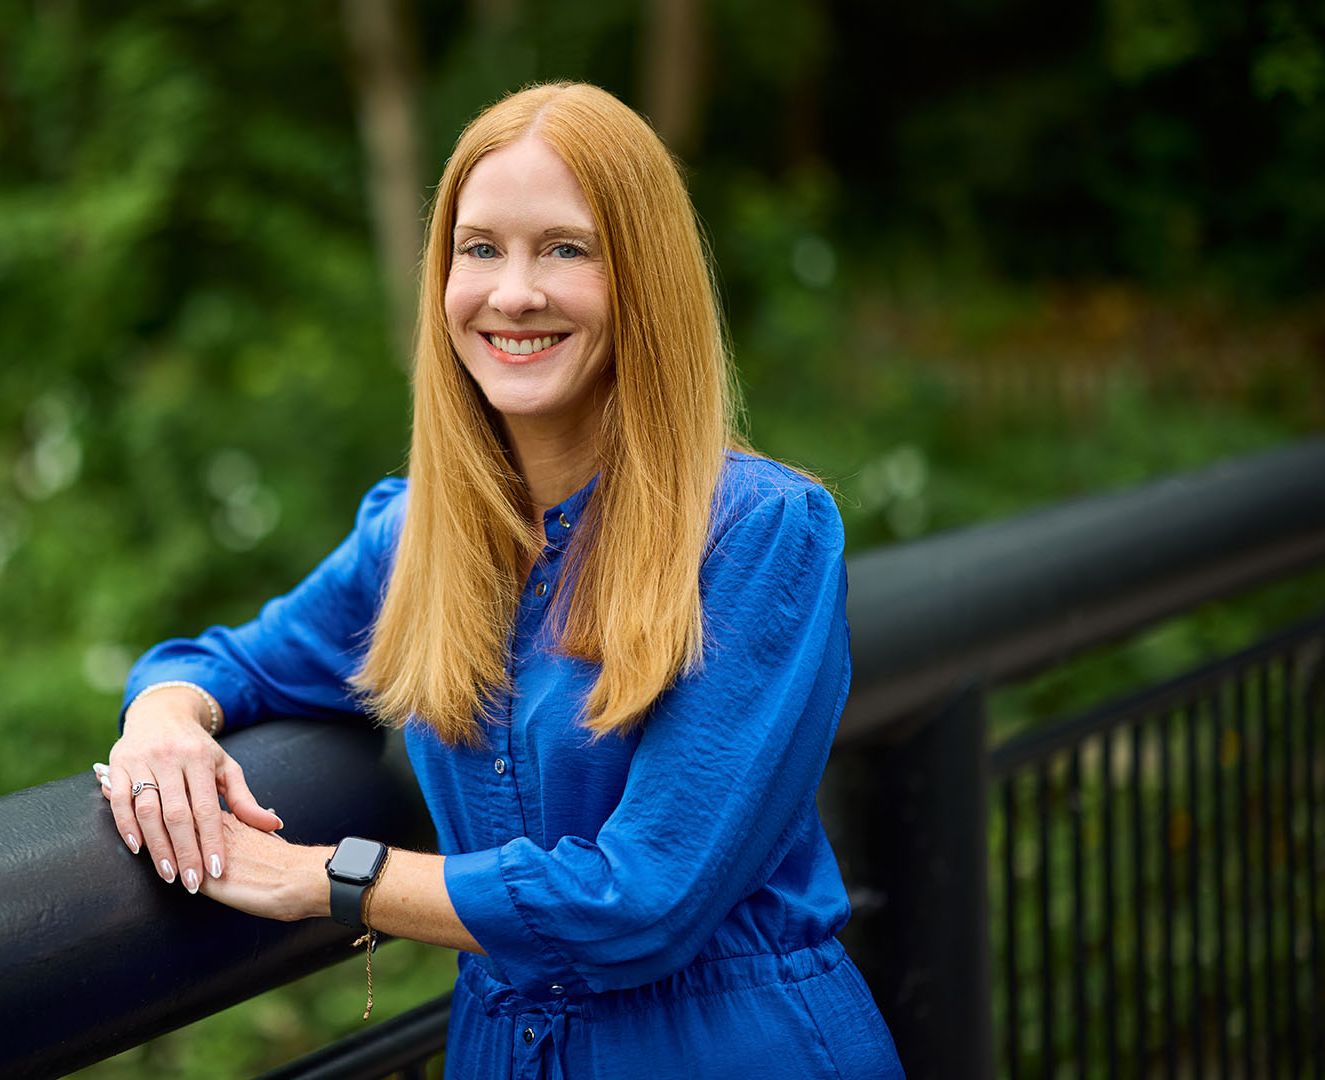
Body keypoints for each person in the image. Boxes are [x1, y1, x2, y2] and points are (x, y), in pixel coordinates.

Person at [94, 82, 904, 1079]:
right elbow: (225, 663)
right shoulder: (415, 537)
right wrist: (163, 724)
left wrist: (325, 879)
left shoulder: (758, 535)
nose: (513, 292)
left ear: (643, 281)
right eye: (480, 248)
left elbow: (643, 900)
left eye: (565, 248)